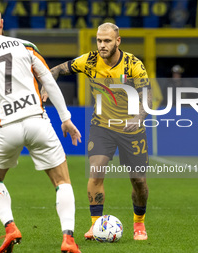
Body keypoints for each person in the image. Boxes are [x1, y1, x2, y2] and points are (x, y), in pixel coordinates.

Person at [0, 2, 83, 253]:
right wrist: (65, 118)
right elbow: (48, 80)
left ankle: (11, 228)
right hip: (38, 121)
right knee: (62, 181)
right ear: (2, 23)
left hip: (5, 128)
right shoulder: (25, 46)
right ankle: (68, 238)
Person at [43, 23, 151, 241]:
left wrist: (139, 117)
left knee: (138, 179)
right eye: (99, 41)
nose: (102, 45)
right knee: (96, 169)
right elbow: (56, 70)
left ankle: (139, 223)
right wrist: (46, 84)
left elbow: (147, 97)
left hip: (131, 129)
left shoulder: (133, 64)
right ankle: (95, 224)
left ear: (117, 41)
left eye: (107, 41)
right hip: (102, 125)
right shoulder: (89, 60)